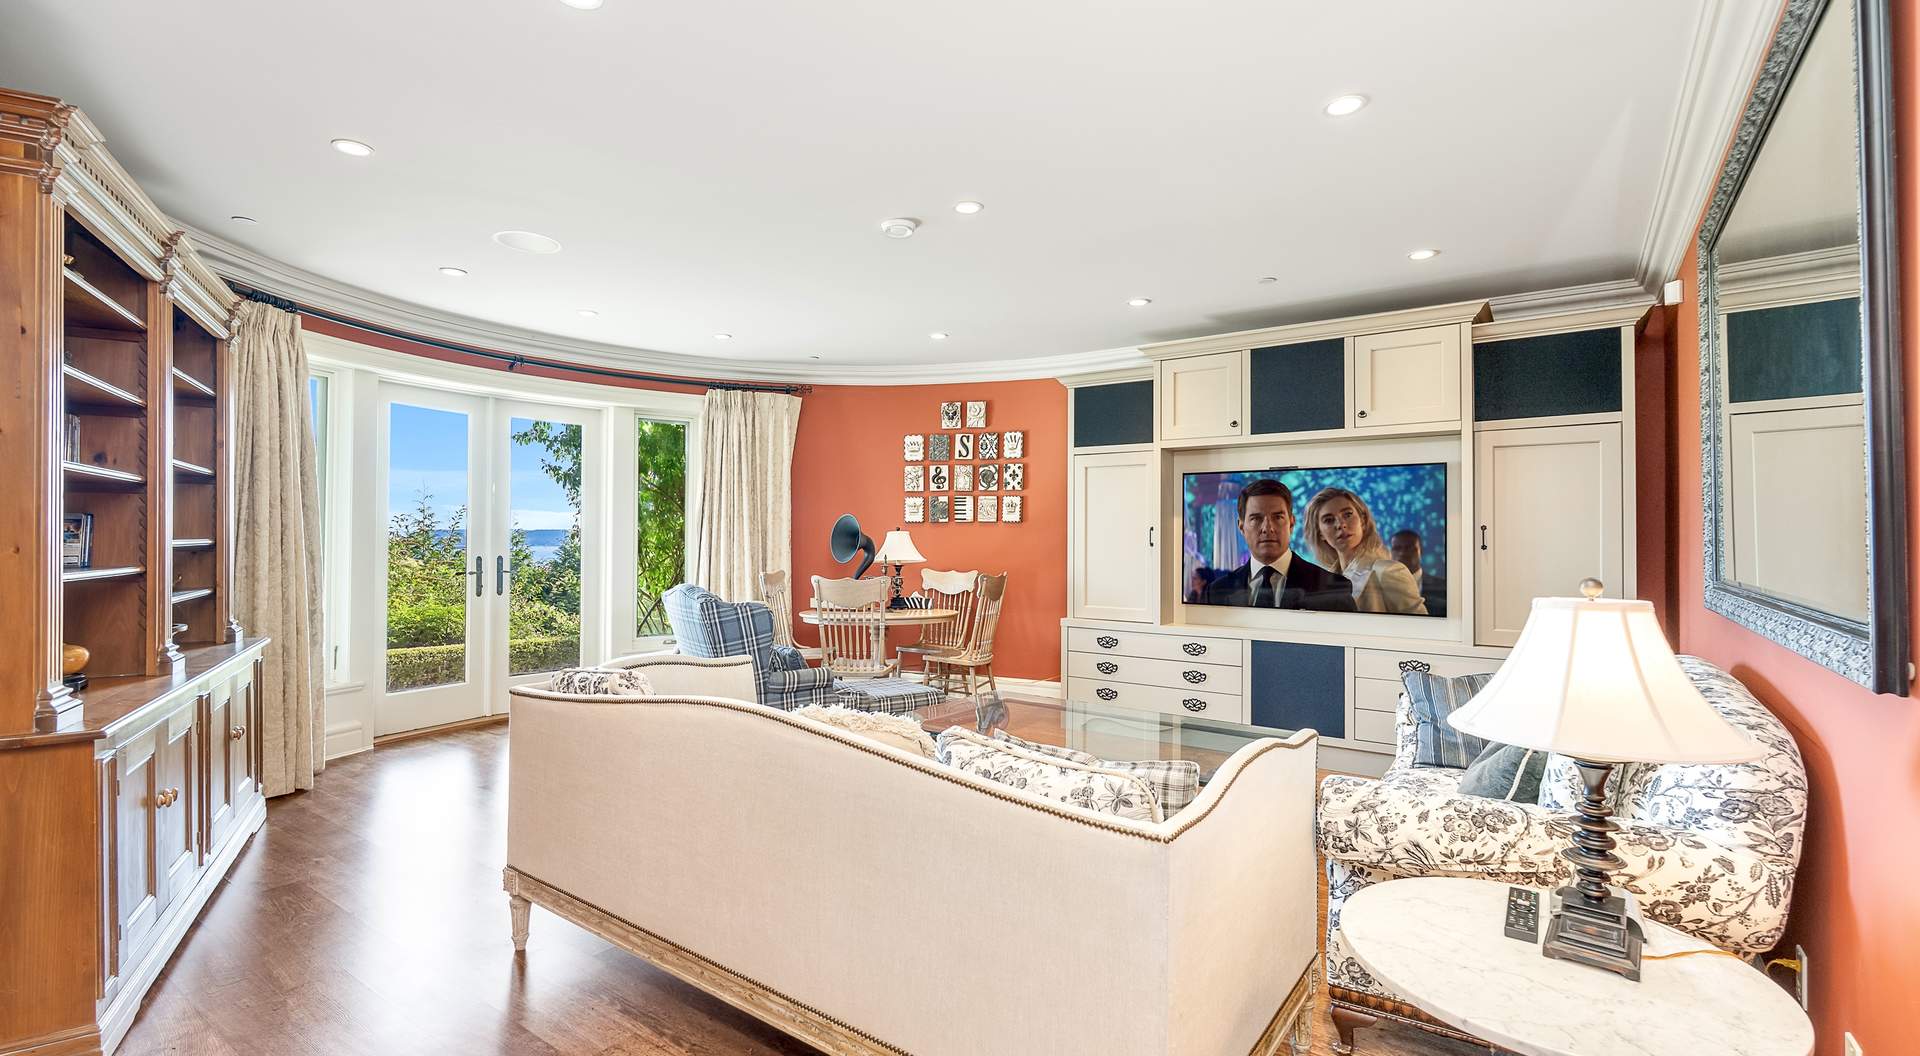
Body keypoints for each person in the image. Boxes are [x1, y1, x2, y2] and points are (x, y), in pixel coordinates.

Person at [1200, 479, 1356, 610]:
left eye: (1277, 517)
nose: (1268, 528)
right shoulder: (1217, 591)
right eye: (1256, 518)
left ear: (1291, 524)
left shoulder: (1334, 589)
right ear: (1241, 527)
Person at [1304, 488, 1428, 615]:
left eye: (1347, 514)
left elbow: (1421, 624)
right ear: (1320, 534)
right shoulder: (1325, 580)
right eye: (1329, 520)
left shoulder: (1388, 571)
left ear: (1362, 521)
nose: (1340, 525)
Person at [1389, 529, 1446, 617]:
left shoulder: (1444, 587)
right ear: (1390, 552)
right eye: (1397, 548)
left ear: (1421, 551)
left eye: (1409, 548)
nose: (1402, 553)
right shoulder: (1379, 587)